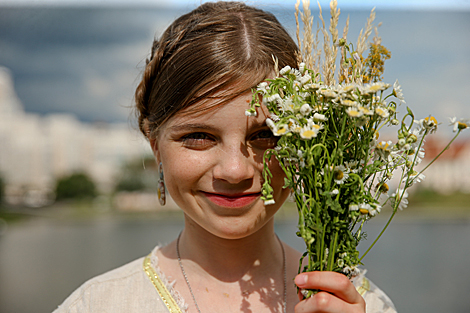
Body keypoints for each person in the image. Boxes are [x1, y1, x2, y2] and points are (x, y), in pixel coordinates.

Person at [53, 2, 396, 312]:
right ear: (155, 146)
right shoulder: (98, 305)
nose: (235, 170)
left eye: (266, 136)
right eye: (199, 137)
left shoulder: (360, 305)